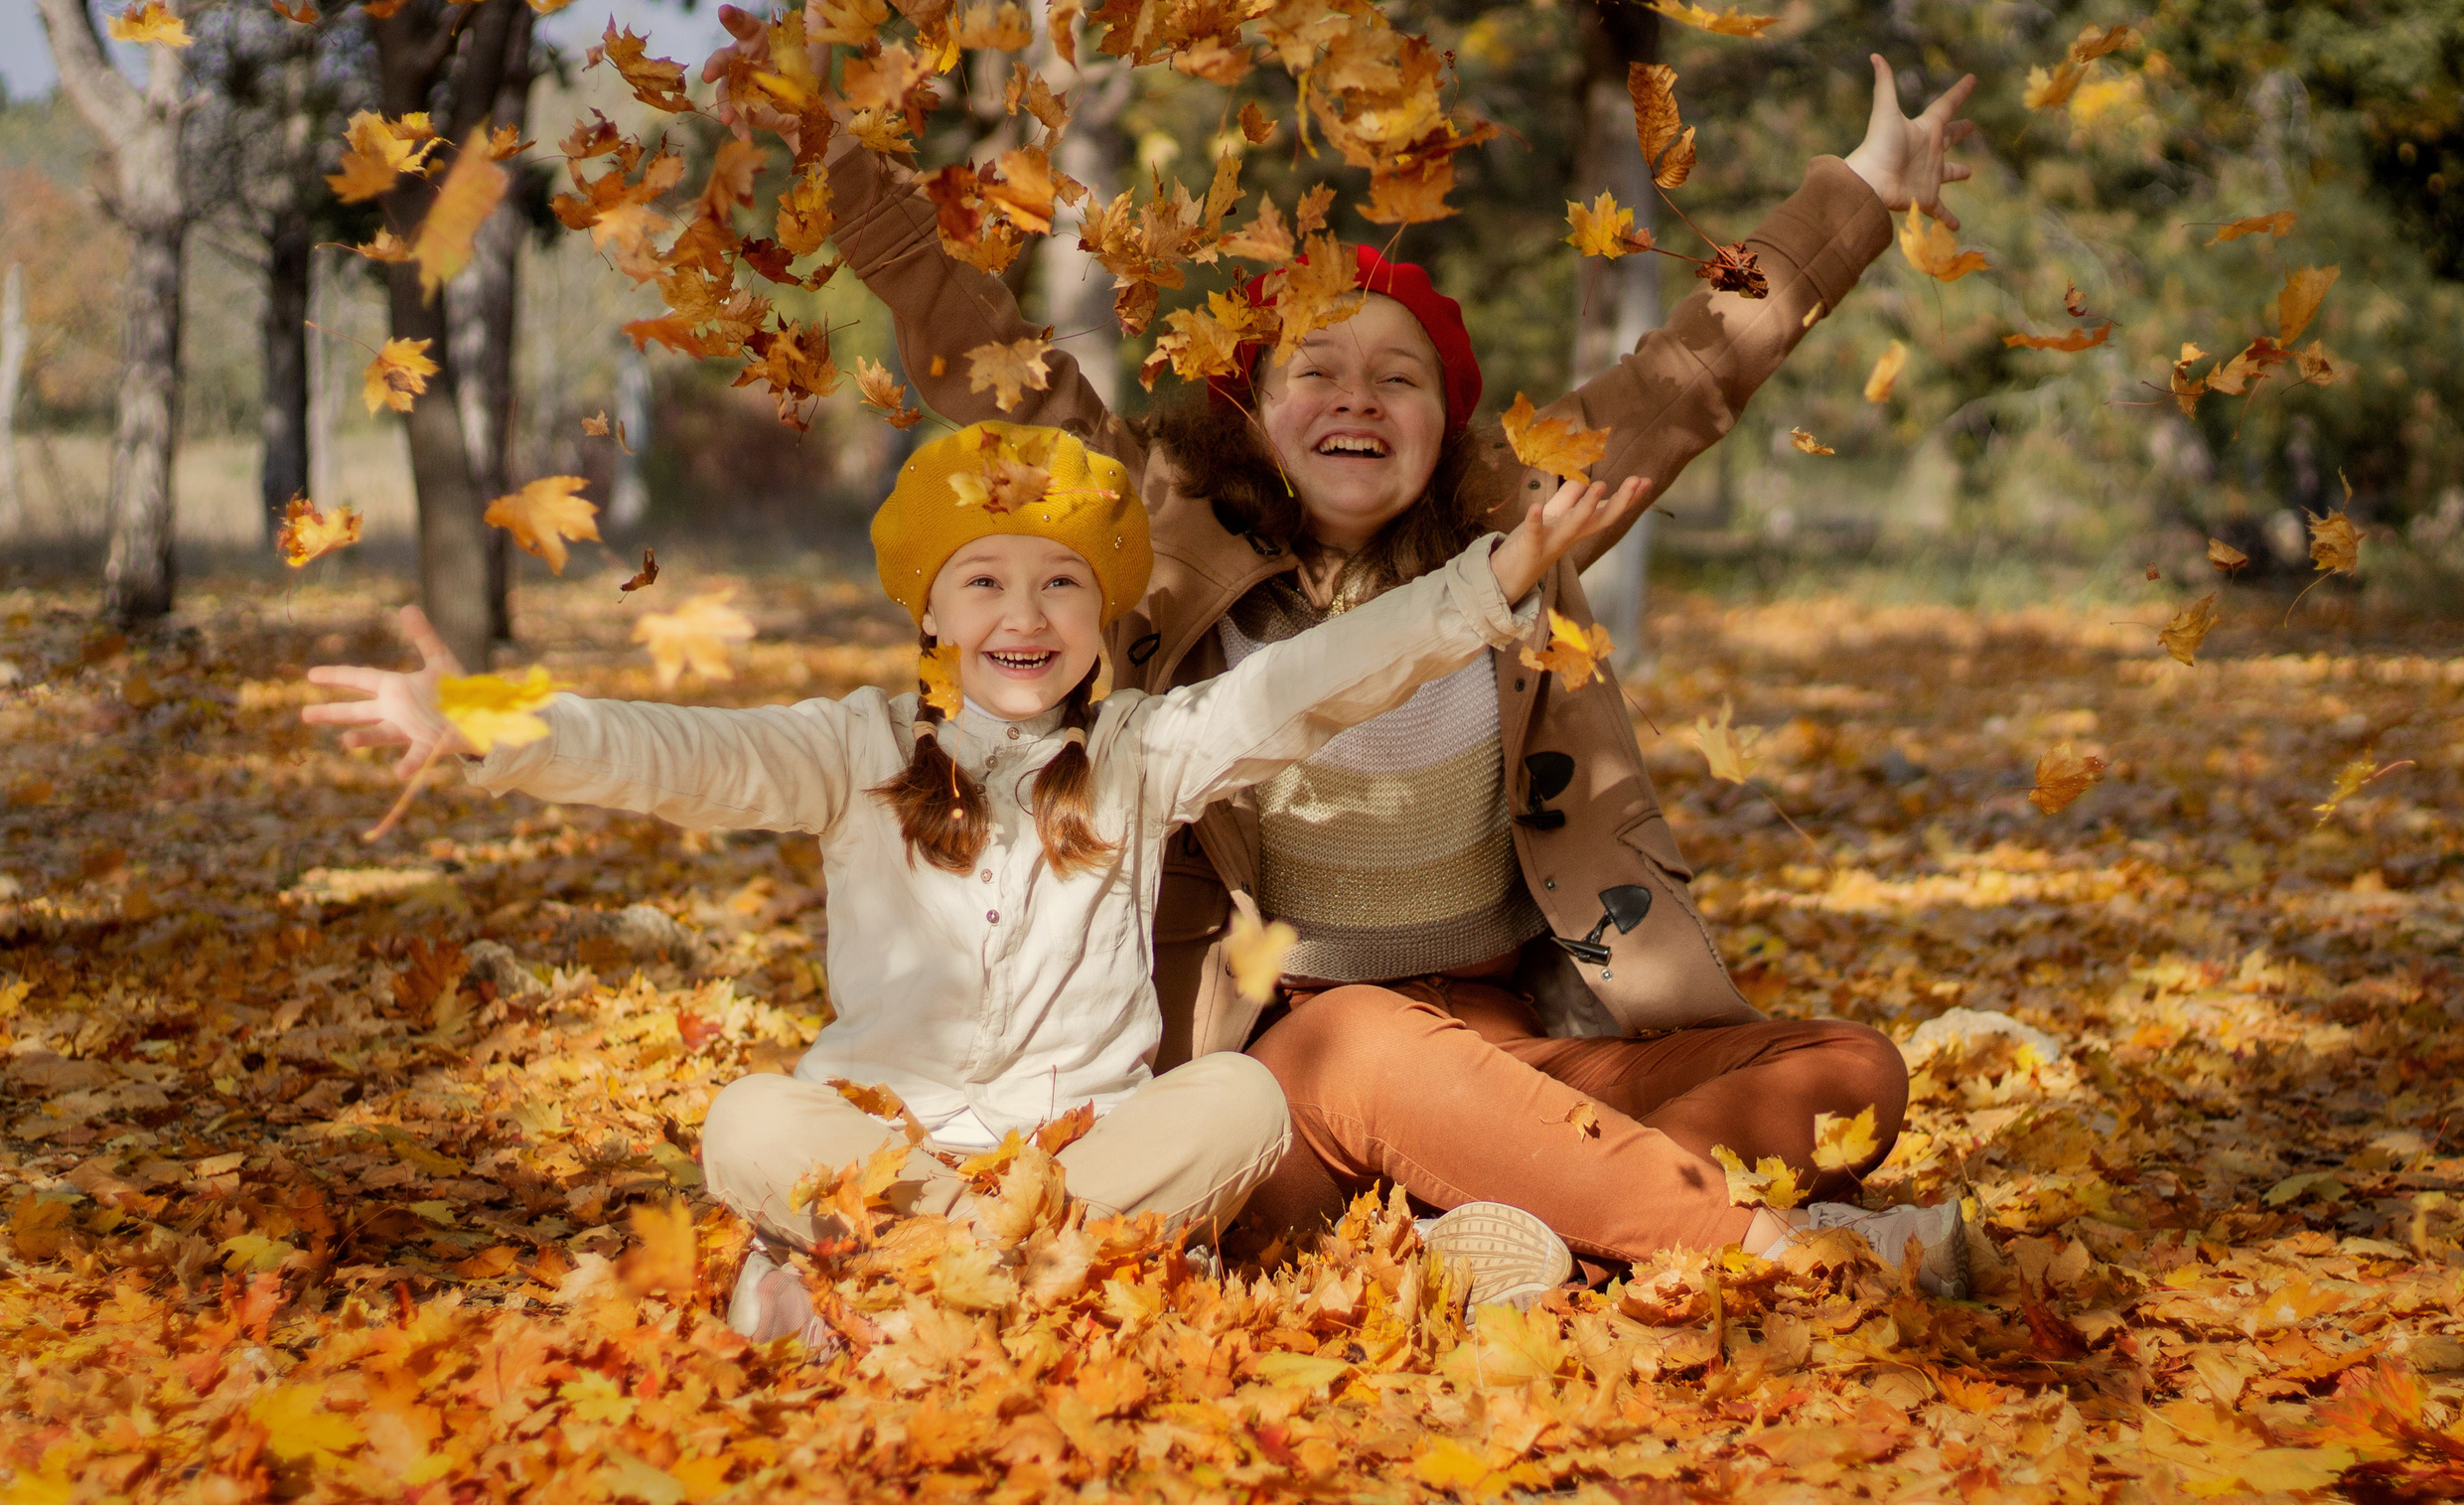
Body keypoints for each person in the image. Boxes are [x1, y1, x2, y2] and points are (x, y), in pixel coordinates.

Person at [774, 39, 1984, 1301]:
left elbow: (1691, 372)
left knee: (1848, 1070)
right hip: (1276, 1074)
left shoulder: (1516, 530)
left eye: (1398, 378)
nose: (1359, 398)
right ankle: (1764, 1253)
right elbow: (984, 356)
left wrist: (1860, 188)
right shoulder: (1152, 524)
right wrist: (847, 167)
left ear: (1441, 422)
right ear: (1250, 407)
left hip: (1511, 1052)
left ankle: (1506, 1228)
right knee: (1360, 1041)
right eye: (1319, 371)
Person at [301, 420, 1646, 1349]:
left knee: (1238, 1096)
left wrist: (1492, 583)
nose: (1025, 610)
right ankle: (1009, 1283)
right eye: (986, 578)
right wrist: (489, 719)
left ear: (1101, 617)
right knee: (751, 1120)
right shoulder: (857, 747)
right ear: (931, 613)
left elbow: (1304, 686)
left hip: (1079, 1166)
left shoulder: (1138, 754)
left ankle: (879, 1296)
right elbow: (675, 751)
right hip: (886, 1156)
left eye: (1062, 581)